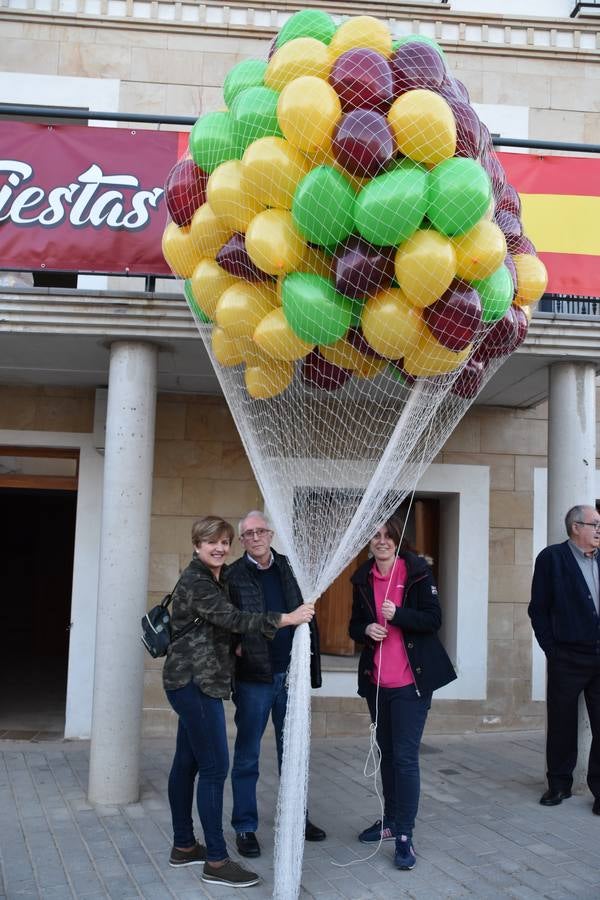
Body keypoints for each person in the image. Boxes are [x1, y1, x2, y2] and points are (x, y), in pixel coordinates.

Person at [162, 515, 315, 888]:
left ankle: (184, 845)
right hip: (194, 683)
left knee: (187, 762)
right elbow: (233, 618)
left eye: (224, 542)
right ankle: (216, 860)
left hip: (201, 682)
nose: (219, 548)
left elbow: (221, 627)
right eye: (211, 542)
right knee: (215, 767)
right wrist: (288, 618)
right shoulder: (198, 581)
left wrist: (236, 644)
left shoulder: (215, 578)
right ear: (197, 545)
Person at [348, 515, 457, 871]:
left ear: (398, 540)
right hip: (377, 685)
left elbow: (433, 619)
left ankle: (405, 835)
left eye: (387, 536)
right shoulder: (362, 577)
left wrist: (398, 615)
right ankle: (390, 822)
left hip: (411, 684)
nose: (381, 541)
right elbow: (352, 625)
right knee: (388, 754)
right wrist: (366, 628)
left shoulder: (417, 572)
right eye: (376, 536)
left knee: (406, 758)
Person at [227, 510, 326, 858]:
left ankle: (296, 819)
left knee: (293, 752)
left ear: (270, 534)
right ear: (242, 541)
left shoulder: (290, 567)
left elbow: (308, 613)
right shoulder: (233, 575)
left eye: (260, 531)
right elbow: (226, 621)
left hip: (291, 675)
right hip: (254, 676)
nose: (255, 537)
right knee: (248, 755)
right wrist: (233, 643)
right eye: (248, 533)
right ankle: (244, 827)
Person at [528, 504, 600, 814]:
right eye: (594, 524)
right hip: (567, 657)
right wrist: (552, 650)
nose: (599, 529)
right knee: (561, 723)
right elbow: (539, 610)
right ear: (575, 528)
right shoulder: (552, 559)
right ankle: (558, 785)